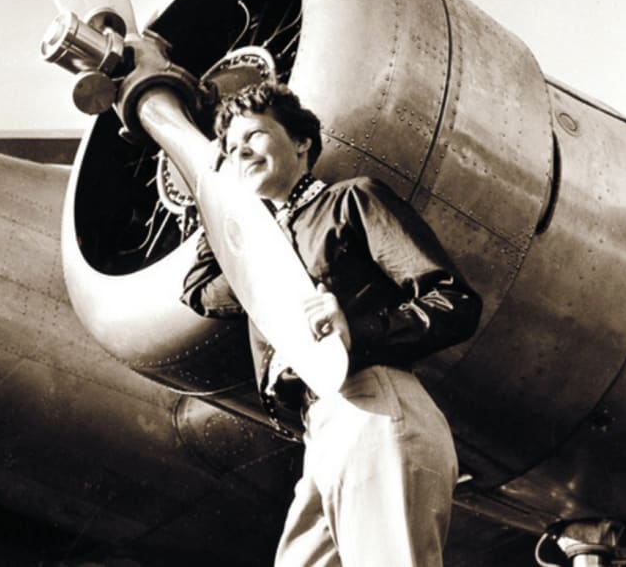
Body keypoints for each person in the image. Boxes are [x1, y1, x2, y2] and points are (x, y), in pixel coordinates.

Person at [180, 81, 482, 567]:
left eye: (254, 136)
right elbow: (200, 291)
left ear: (301, 142)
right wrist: (212, 201)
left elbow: (455, 301)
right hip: (320, 431)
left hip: (374, 406)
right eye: (231, 150)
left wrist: (356, 333)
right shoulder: (260, 257)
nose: (241, 152)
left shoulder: (351, 202)